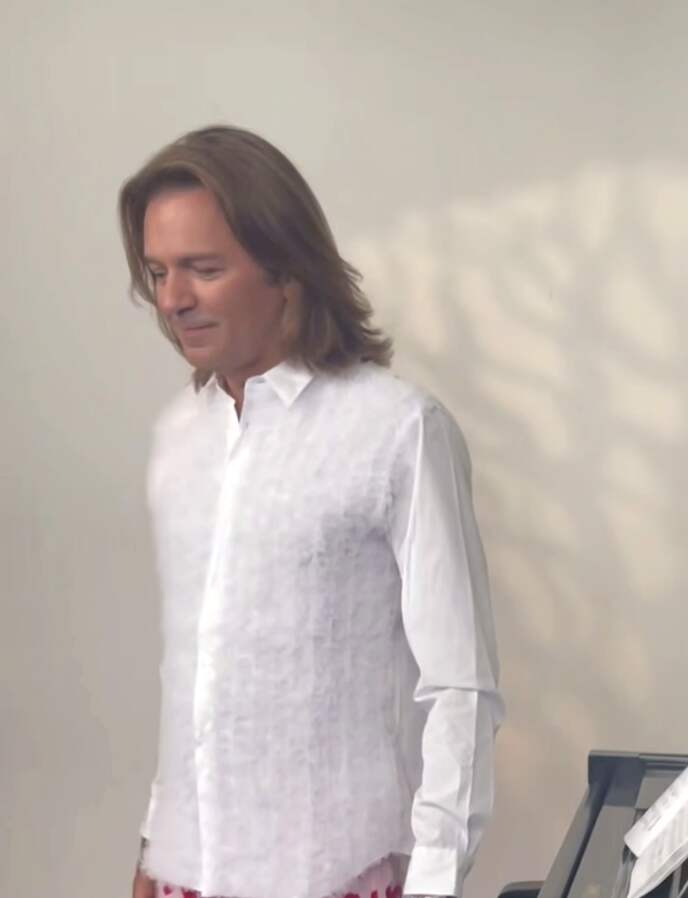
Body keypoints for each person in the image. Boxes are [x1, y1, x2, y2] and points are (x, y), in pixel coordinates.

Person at [119, 125, 503, 898]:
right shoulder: (178, 439)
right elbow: (195, 677)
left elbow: (459, 687)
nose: (173, 300)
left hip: (334, 877)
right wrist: (155, 846)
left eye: (204, 269)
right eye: (158, 272)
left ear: (286, 268)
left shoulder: (396, 430)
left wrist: (432, 884)